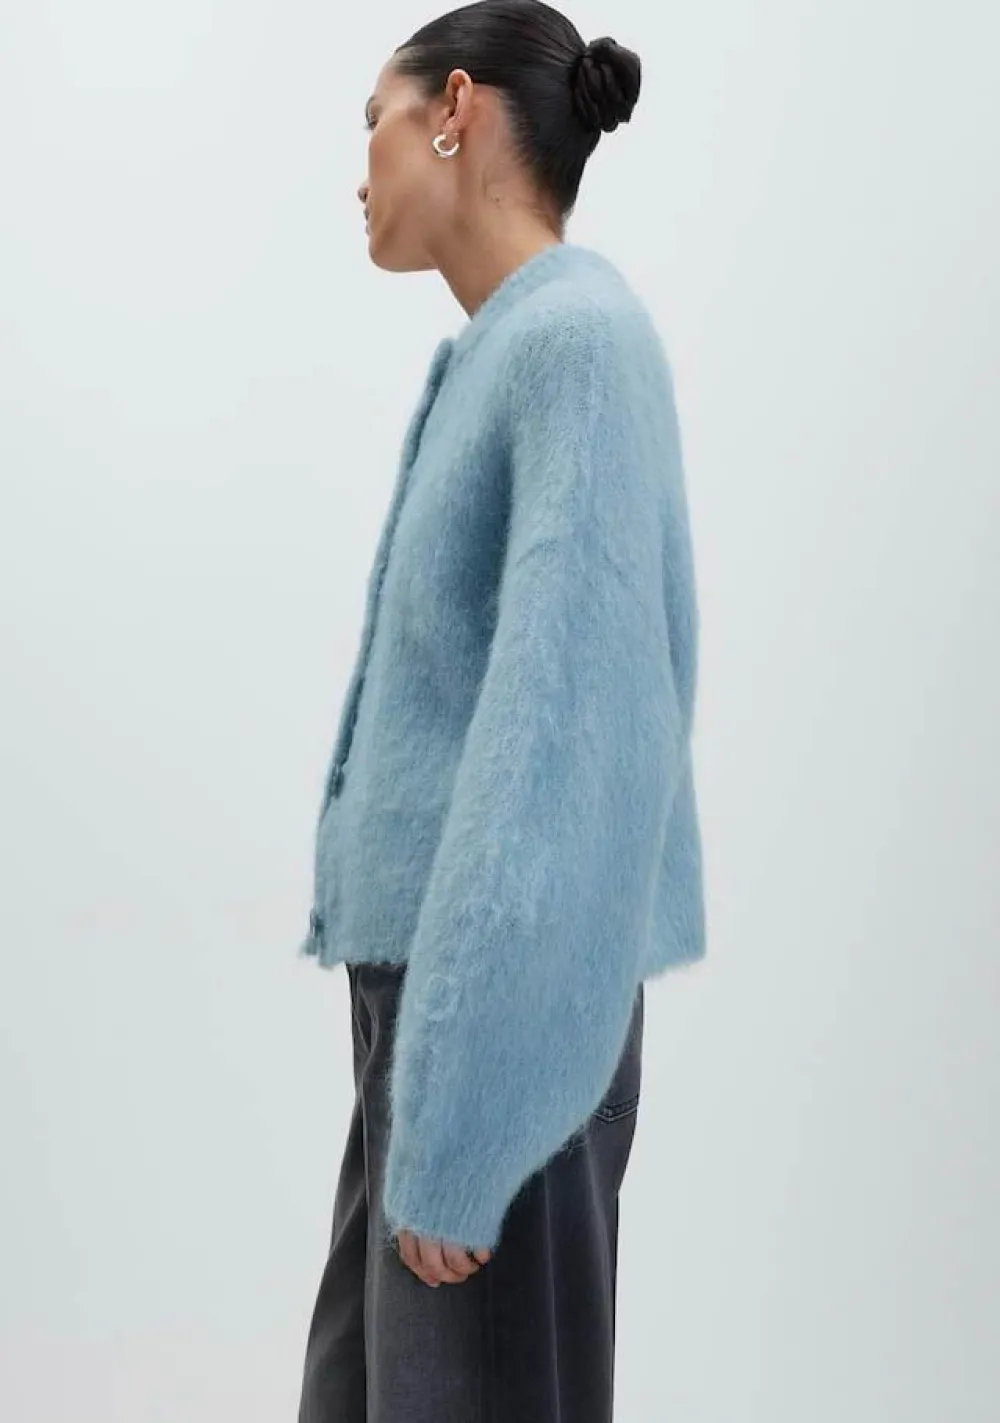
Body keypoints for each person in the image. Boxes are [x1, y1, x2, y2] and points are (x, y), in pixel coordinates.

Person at [296, 2, 706, 1419]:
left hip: (503, 1018)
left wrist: (470, 1121)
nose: (360, 167)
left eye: (375, 121)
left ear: (455, 109)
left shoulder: (574, 345)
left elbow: (566, 745)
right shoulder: (507, 351)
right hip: (438, 1009)